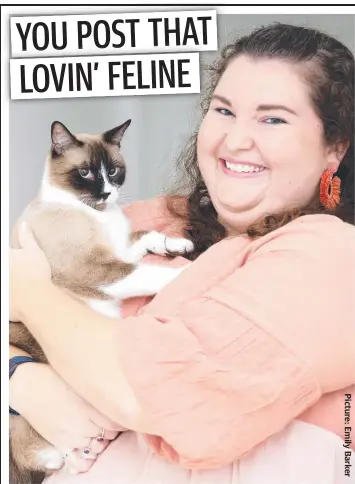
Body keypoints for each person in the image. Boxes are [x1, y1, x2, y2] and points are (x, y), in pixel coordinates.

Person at [9, 22, 355, 484]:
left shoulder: (333, 257)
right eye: (224, 111)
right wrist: (21, 380)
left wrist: (30, 290)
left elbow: (151, 394)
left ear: (334, 148)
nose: (235, 140)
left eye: (273, 118)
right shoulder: (148, 222)